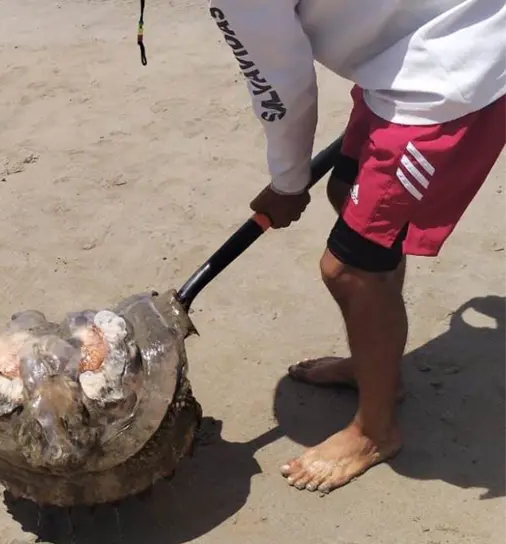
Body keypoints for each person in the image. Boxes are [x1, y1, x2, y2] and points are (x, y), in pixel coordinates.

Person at [207, 0, 506, 494]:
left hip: (449, 67)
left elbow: (280, 84)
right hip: (399, 51)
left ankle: (375, 430)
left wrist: (287, 183)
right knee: (347, 196)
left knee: (350, 268)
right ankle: (377, 369)